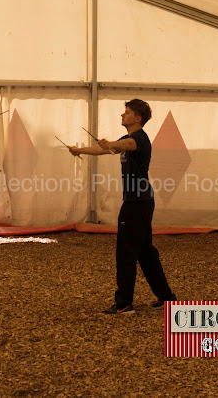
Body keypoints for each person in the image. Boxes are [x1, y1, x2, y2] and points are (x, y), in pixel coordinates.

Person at [68, 99, 176, 314]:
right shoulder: (126, 138)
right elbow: (105, 149)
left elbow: (125, 146)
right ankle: (167, 298)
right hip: (140, 202)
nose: (122, 115)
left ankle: (124, 304)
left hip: (137, 204)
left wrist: (112, 144)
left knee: (126, 253)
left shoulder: (139, 139)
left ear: (137, 118)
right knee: (145, 252)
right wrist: (80, 150)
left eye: (126, 113)